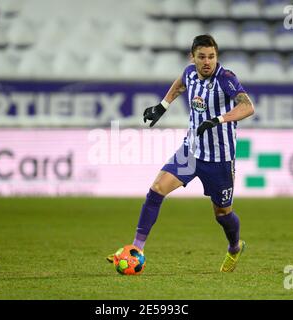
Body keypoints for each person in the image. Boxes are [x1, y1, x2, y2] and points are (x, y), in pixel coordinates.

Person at [107, 34, 255, 272]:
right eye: (202, 57)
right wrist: (162, 106)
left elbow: (247, 106)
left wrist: (218, 119)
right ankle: (136, 249)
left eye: (212, 57)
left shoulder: (226, 79)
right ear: (193, 57)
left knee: (222, 214)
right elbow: (179, 84)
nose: (207, 62)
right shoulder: (189, 73)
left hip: (220, 159)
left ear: (217, 57)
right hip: (191, 152)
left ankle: (235, 247)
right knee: (156, 190)